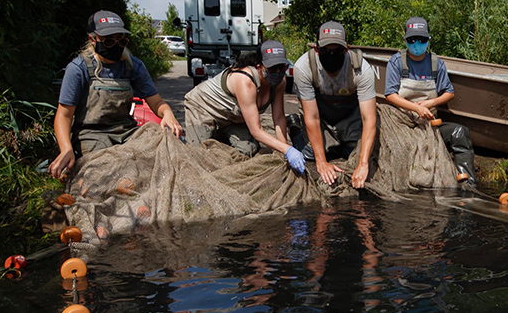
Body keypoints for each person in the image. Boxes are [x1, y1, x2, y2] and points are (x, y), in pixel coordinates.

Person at [49, 10, 183, 180]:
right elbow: (64, 115)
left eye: (121, 41)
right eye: (109, 41)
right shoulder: (78, 69)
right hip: (92, 134)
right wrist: (66, 148)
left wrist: (168, 114)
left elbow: (156, 102)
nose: (116, 46)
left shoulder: (133, 65)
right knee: (104, 171)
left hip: (126, 131)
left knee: (162, 149)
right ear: (93, 39)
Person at [183, 40, 305, 173]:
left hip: (233, 118)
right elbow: (256, 130)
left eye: (282, 68)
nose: (277, 72)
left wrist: (284, 151)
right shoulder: (245, 80)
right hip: (204, 108)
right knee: (201, 157)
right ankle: (192, 134)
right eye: (272, 68)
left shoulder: (280, 82)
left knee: (248, 150)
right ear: (259, 66)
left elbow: (279, 118)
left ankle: (219, 134)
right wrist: (287, 150)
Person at [383, 16, 476, 185]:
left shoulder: (436, 64)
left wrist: (429, 104)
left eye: (421, 39)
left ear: (428, 40)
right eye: (412, 40)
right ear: (405, 40)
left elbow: (449, 92)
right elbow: (390, 94)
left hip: (429, 125)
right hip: (401, 124)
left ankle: (469, 185)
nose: (417, 44)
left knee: (460, 133)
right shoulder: (396, 62)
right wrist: (415, 108)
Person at [290, 20, 377, 188]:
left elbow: (369, 119)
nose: (331, 54)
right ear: (316, 49)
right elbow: (312, 117)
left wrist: (363, 164)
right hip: (319, 115)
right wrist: (321, 161)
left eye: (337, 51)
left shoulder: (361, 69)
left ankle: (338, 143)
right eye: (325, 50)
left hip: (349, 115)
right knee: (309, 154)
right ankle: (294, 127)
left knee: (355, 152)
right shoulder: (304, 67)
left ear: (346, 50)